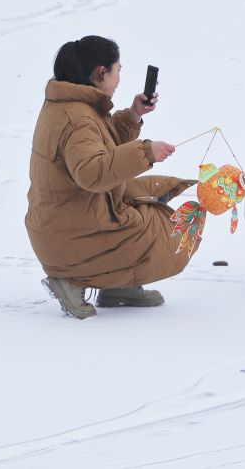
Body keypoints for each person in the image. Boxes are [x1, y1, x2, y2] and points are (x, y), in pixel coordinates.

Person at [25, 35, 197, 319]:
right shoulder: (78, 118)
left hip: (62, 225)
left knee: (149, 199)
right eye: (118, 71)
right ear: (101, 72)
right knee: (169, 236)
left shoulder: (71, 106)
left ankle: (118, 284)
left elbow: (97, 145)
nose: (119, 79)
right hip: (70, 237)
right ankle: (70, 280)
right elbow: (92, 173)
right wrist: (145, 152)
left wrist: (133, 115)